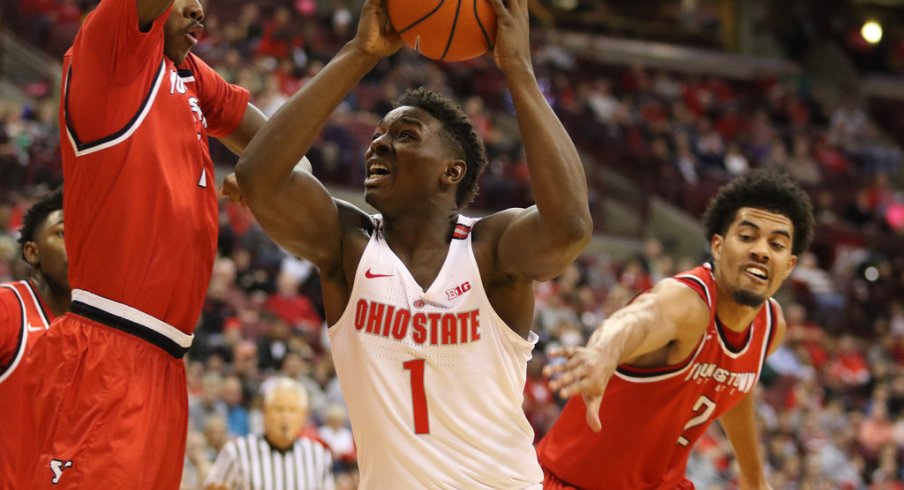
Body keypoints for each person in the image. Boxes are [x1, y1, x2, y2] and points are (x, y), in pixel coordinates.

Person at [234, 0, 592, 486]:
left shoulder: (489, 250)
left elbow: (570, 225)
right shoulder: (350, 245)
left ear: (452, 171)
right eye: (378, 135)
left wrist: (519, 70)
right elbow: (259, 178)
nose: (377, 144)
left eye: (405, 135)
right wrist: (359, 53)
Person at [22, 0, 275, 486]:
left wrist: (359, 54)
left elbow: (282, 149)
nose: (199, 10)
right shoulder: (110, 50)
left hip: (168, 364)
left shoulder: (189, 74)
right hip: (107, 351)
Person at [539, 168, 815, 490]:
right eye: (747, 237)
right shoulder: (687, 303)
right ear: (718, 246)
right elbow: (637, 320)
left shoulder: (770, 325)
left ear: (789, 265)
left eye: (777, 244)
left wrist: (755, 481)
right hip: (572, 483)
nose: (762, 251)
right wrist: (603, 353)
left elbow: (737, 389)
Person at [0, 188, 68, 489]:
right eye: (64, 232)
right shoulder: (8, 308)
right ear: (32, 252)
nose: (79, 242)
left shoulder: (99, 333)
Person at [204, 377, 334, 490]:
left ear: (303, 417)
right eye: (279, 409)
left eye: (293, 410)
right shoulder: (236, 452)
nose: (286, 417)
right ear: (264, 412)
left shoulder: (318, 455)